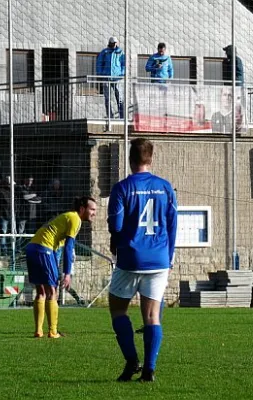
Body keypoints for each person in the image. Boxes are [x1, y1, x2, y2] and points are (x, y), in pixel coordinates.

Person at [107, 138, 178, 383]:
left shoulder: (122, 188)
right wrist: (169, 257)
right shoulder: (165, 187)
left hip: (130, 258)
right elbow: (172, 225)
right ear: (151, 158)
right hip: (159, 259)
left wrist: (115, 239)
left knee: (118, 310)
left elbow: (116, 224)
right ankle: (149, 369)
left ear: (130, 159)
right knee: (152, 316)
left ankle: (131, 360)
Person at [26, 196, 97, 338]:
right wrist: (67, 273)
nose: (94, 213)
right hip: (44, 249)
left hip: (32, 248)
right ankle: (53, 332)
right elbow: (69, 247)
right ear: (82, 209)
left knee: (41, 290)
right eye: (92, 209)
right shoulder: (75, 218)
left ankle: (38, 331)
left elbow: (59, 247)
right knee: (52, 290)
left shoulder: (65, 217)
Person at [96, 36, 126, 119]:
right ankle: (110, 116)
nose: (114, 45)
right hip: (106, 77)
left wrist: (122, 73)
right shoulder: (104, 52)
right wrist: (100, 73)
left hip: (117, 78)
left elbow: (124, 64)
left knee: (120, 98)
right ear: (110, 43)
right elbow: (99, 63)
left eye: (115, 43)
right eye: (113, 43)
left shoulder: (120, 52)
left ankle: (122, 117)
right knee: (107, 98)